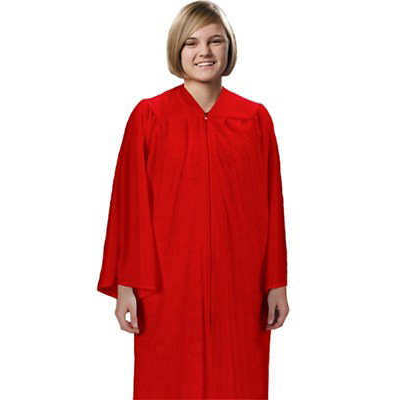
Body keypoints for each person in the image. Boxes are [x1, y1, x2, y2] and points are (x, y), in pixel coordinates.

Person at [97, 1, 290, 398]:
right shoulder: (150, 116)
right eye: (192, 42)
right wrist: (126, 283)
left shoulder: (254, 119)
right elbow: (129, 205)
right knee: (167, 380)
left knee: (237, 381)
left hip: (240, 283)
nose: (204, 51)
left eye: (215, 41)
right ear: (177, 50)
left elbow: (273, 205)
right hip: (166, 283)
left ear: (228, 47)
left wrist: (276, 282)